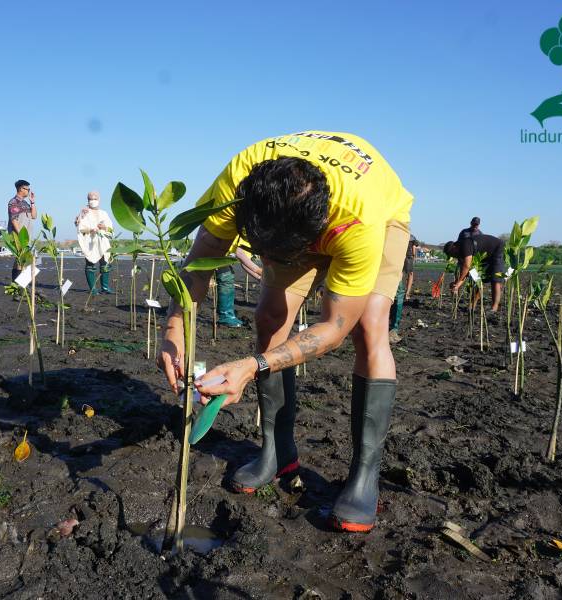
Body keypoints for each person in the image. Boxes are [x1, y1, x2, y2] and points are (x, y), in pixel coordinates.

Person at [157, 131, 413, 533]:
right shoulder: (238, 183)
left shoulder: (357, 220)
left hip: (377, 209)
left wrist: (253, 366)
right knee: (269, 315)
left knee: (369, 327)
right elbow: (199, 260)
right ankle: (277, 452)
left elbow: (333, 328)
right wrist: (174, 329)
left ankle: (365, 473)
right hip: (287, 223)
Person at [443, 231, 505, 312]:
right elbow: (465, 272)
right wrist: (456, 284)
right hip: (483, 256)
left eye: (452, 254)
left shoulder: (465, 245)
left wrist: (458, 283)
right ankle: (472, 306)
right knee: (477, 280)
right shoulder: (459, 253)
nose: (454, 256)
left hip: (497, 249)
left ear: (454, 247)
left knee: (495, 280)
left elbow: (467, 266)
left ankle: (494, 308)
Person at [75, 191, 114, 294]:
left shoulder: (104, 213)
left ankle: (105, 288)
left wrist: (104, 227)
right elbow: (80, 227)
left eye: (95, 198)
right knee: (90, 263)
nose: (93, 201)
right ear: (87, 200)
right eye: (90, 199)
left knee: (105, 263)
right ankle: (93, 289)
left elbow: (111, 228)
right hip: (90, 242)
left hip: (103, 241)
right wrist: (90, 229)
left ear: (99, 199)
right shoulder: (84, 212)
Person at [7, 179, 37, 281]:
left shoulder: (25, 203)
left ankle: (18, 284)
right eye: (27, 189)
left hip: (27, 237)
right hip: (19, 237)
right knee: (21, 260)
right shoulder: (14, 202)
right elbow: (14, 221)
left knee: (21, 261)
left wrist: (32, 202)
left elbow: (34, 216)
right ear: (21, 189)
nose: (28, 191)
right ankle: (19, 284)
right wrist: (21, 236)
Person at [403, 234, 417, 300]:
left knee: (400, 274)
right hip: (409, 256)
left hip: (401, 256)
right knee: (410, 275)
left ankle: (397, 292)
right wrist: (414, 256)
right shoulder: (412, 238)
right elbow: (414, 248)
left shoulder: (402, 235)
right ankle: (407, 294)